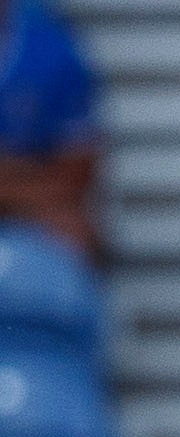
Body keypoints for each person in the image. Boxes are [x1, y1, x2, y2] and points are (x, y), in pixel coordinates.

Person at [0, 0, 100, 258]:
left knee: (73, 230)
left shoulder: (48, 45)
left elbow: (76, 171)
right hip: (27, 187)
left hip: (28, 205)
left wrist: (13, 185)